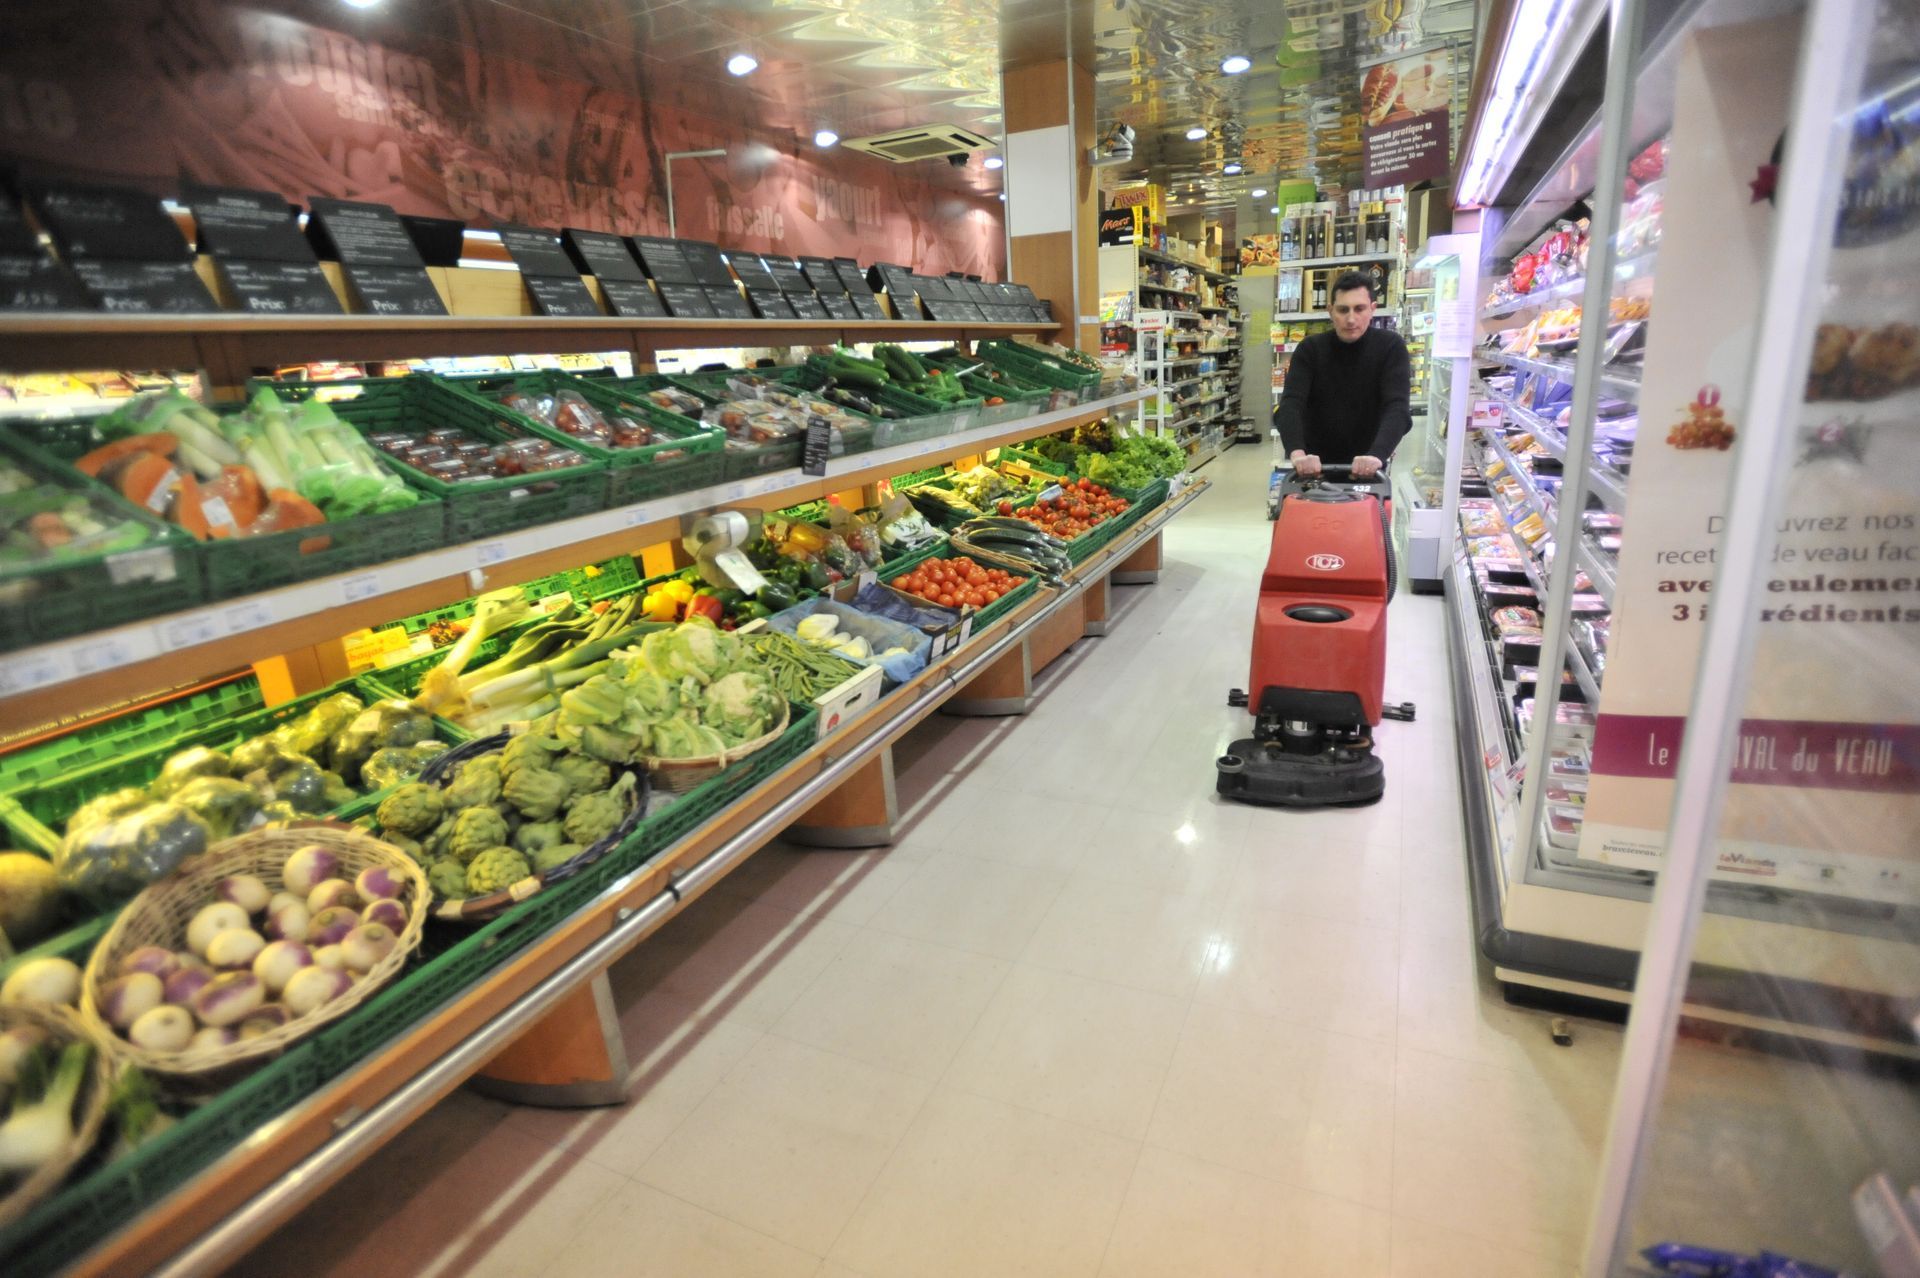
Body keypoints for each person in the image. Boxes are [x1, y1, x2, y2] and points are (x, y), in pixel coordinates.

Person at [1274, 270, 1412, 480]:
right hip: (1314, 470)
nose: (1350, 319)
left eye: (1359, 309)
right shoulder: (1310, 349)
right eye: (1342, 309)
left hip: (1368, 469)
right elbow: (1291, 404)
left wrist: (1377, 455)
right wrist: (1298, 454)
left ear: (1372, 309)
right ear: (1330, 311)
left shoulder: (1391, 347)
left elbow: (1397, 407)